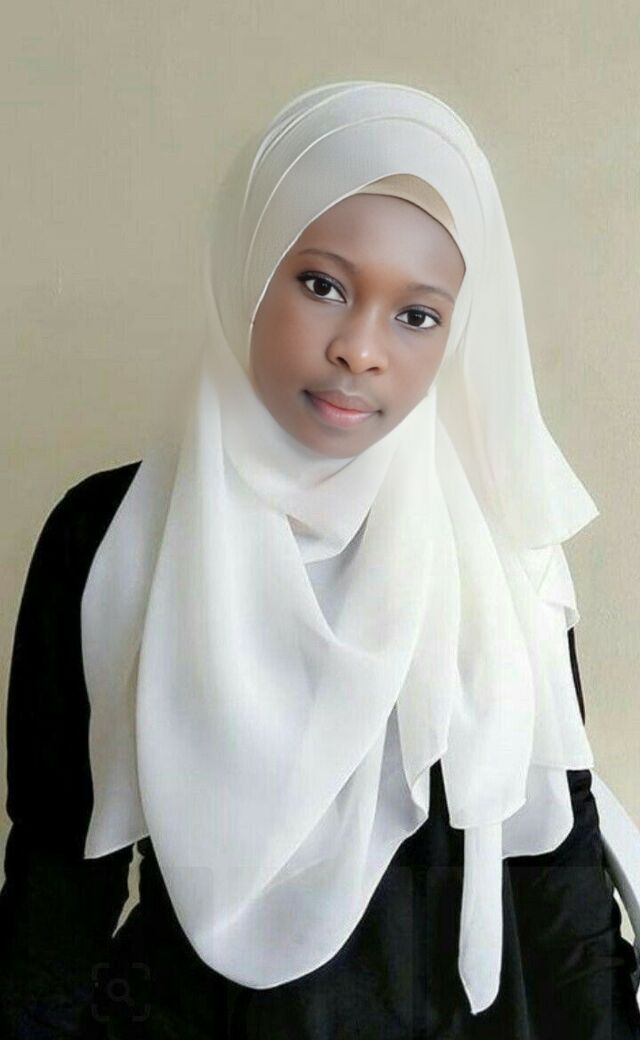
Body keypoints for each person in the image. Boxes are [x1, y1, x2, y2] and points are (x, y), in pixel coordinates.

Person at [1, 79, 639, 1040]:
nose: (359, 350)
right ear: (248, 267)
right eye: (322, 285)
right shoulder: (113, 535)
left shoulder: (501, 552)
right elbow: (58, 876)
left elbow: (560, 877)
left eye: (417, 315)